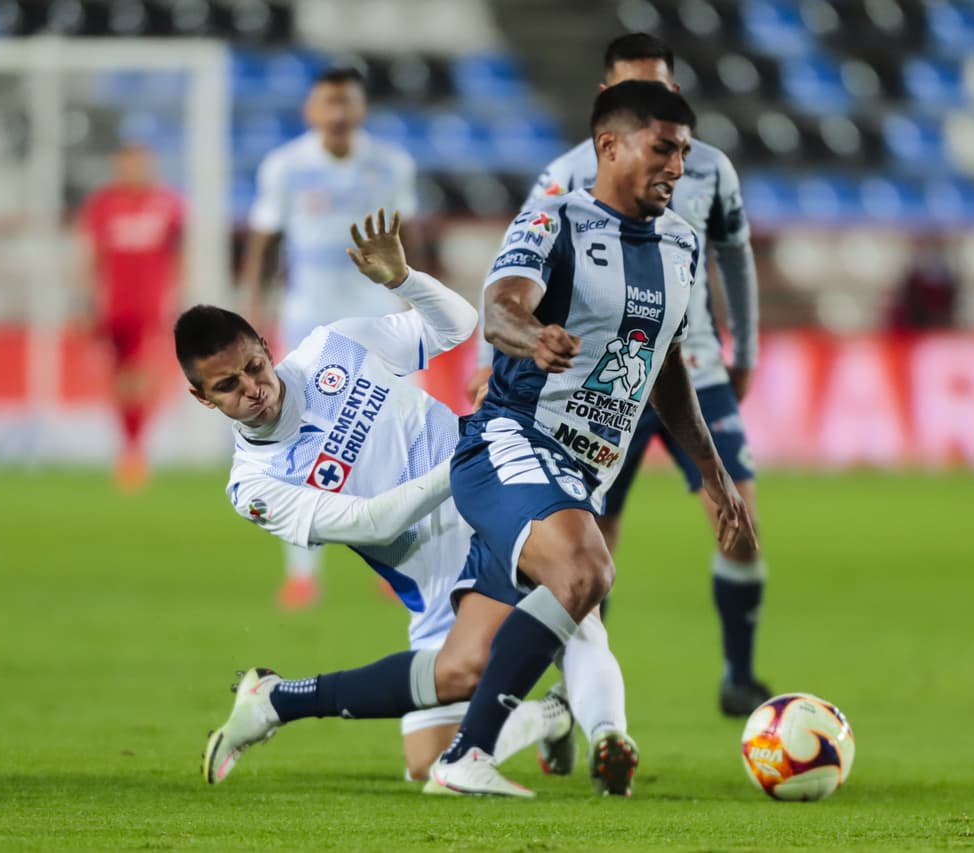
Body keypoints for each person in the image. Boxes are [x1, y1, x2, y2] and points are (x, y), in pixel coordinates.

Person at [180, 210, 631, 790]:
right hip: (434, 574)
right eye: (227, 387)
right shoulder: (254, 485)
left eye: (253, 366)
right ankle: (549, 715)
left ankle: (612, 746)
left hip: (494, 502)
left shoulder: (331, 348)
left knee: (578, 605)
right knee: (426, 761)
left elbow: (458, 325)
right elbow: (373, 522)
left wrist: (404, 281)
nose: (253, 389)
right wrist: (471, 454)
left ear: (267, 347)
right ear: (202, 397)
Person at [422, 81, 756, 798]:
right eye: (662, 148)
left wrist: (715, 472)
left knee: (469, 661)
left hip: (579, 473)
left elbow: (666, 367)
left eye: (686, 153)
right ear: (609, 146)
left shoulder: (680, 246)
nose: (677, 167)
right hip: (509, 444)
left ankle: (283, 701)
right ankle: (467, 756)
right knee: (587, 572)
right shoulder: (554, 220)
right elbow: (500, 307)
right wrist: (532, 336)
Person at [469, 33, 774, 716]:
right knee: (588, 552)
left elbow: (737, 255)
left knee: (741, 519)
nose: (674, 155)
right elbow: (513, 284)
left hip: (688, 366)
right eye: (645, 90)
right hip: (594, 386)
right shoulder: (564, 180)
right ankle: (566, 694)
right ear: (610, 103)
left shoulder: (708, 171)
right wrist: (502, 356)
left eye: (666, 87)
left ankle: (739, 672)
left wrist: (743, 347)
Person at [240, 66, 420, 609]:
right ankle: (303, 572)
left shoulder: (391, 165)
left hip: (375, 313)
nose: (338, 114)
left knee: (387, 434)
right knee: (297, 436)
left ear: (360, 111)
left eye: (347, 104)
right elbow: (266, 240)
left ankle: (395, 562)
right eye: (328, 104)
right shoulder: (286, 167)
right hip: (307, 319)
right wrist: (253, 308)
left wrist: (417, 299)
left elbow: (408, 237)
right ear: (311, 112)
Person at [76, 141, 185, 492]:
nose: (134, 170)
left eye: (140, 163)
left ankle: (135, 451)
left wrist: (179, 296)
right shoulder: (102, 206)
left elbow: (180, 254)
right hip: (113, 307)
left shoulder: (168, 204)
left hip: (150, 307)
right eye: (127, 164)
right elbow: (91, 256)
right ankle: (130, 446)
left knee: (143, 377)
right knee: (120, 380)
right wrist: (86, 300)